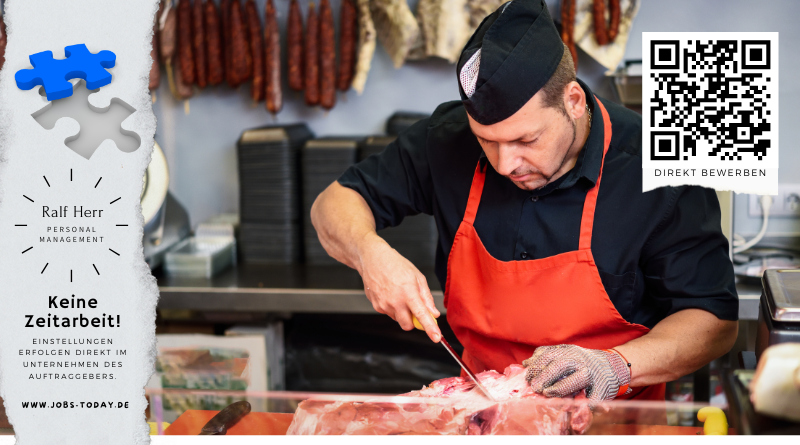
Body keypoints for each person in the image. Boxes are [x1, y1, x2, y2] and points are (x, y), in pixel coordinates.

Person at [311, 0, 738, 403]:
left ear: (572, 101)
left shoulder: (660, 162)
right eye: (487, 142)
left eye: (525, 139)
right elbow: (333, 203)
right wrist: (370, 254)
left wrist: (614, 366)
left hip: (616, 420)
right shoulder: (447, 138)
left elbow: (713, 320)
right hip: (485, 412)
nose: (505, 164)